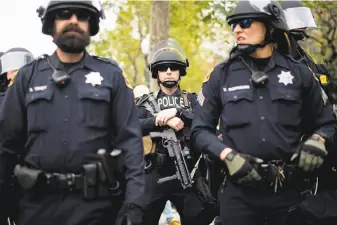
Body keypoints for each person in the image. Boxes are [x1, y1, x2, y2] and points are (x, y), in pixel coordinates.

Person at [0, 1, 145, 225]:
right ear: (51, 23)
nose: (74, 20)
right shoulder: (27, 78)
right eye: (64, 14)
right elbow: (6, 146)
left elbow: (130, 143)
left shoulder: (111, 77)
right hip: (35, 208)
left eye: (83, 15)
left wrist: (134, 204)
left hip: (97, 209)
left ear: (92, 24)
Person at [191, 0, 336, 225]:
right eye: (234, 25)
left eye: (246, 22)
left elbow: (327, 122)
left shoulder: (300, 74)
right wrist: (227, 155)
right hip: (238, 193)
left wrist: (318, 139)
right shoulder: (221, 76)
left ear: (270, 27)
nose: (237, 30)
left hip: (289, 190)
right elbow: (200, 130)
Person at [137, 39, 215, 225]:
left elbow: (205, 120)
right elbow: (131, 125)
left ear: (181, 71)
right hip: (154, 172)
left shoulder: (192, 100)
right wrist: (157, 120)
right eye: (164, 68)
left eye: (173, 67)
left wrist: (179, 113)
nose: (169, 71)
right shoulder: (146, 103)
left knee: (199, 217)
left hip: (188, 172)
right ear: (157, 73)